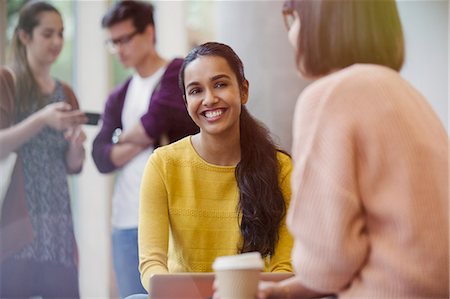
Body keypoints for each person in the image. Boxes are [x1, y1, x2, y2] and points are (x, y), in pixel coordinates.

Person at [258, 0, 449, 298]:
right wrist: (286, 291)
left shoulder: (329, 97)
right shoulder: (407, 94)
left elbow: (328, 259)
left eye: (293, 18)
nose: (291, 34)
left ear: (320, 23)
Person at [137, 41, 293, 294]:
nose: (209, 99)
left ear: (243, 91)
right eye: (196, 91)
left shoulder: (281, 168)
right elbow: (152, 263)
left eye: (220, 84)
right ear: (186, 101)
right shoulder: (162, 164)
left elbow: (284, 267)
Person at [91, 1, 198, 297]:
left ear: (149, 32)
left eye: (125, 39)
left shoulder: (177, 73)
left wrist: (119, 137)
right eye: (113, 42)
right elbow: (100, 157)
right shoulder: (119, 94)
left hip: (171, 218)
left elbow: (154, 123)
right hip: (125, 219)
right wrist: (133, 137)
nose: (120, 49)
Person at [0, 1, 87, 297]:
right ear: (24, 36)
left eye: (61, 34)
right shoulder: (7, 81)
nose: (57, 42)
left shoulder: (66, 92)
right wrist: (42, 119)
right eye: (47, 34)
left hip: (58, 225)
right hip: (19, 222)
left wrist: (76, 148)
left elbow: (73, 165)